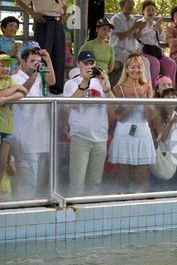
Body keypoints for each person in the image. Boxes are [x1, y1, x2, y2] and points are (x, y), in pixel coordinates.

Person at [62, 50, 115, 196]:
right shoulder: (71, 84)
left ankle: (91, 216)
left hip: (100, 138)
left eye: (92, 63)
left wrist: (106, 87)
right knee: (77, 183)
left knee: (94, 183)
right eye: (86, 63)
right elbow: (71, 105)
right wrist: (84, 82)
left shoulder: (100, 83)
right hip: (80, 137)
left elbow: (115, 106)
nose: (89, 66)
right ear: (78, 64)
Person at [11, 47, 55, 199]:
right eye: (32, 62)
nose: (36, 65)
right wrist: (35, 75)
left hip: (40, 138)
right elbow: (20, 93)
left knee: (37, 184)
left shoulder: (38, 79)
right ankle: (21, 216)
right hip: (25, 140)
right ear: (23, 62)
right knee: (26, 186)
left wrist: (47, 61)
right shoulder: (15, 78)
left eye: (38, 62)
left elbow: (53, 81)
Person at [109, 54, 155, 193]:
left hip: (142, 135)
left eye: (139, 67)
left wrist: (143, 99)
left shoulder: (147, 88)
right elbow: (117, 117)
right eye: (133, 67)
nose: (136, 70)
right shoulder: (118, 89)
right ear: (127, 69)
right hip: (123, 136)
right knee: (123, 180)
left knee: (140, 179)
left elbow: (150, 116)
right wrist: (134, 101)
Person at [16, 0, 67, 95]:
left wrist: (65, 14)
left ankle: (57, 92)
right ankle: (38, 86)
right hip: (43, 20)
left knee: (59, 57)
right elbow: (19, 1)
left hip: (58, 22)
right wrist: (32, 13)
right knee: (40, 56)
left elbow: (64, 5)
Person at [136, 1, 177, 89]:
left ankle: (169, 89)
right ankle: (153, 90)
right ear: (143, 11)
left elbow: (162, 38)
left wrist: (159, 27)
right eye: (148, 10)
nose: (151, 12)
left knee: (172, 63)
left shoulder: (155, 23)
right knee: (155, 63)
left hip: (154, 51)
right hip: (143, 51)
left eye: (152, 10)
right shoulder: (140, 23)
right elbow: (144, 38)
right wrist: (155, 28)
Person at [0, 53, 27, 185]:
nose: (5, 69)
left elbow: (23, 92)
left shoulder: (10, 81)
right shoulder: (11, 83)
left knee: (2, 163)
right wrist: (15, 89)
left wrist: (5, 98)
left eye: (7, 66)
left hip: (8, 128)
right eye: (2, 65)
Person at [153, 87, 177, 184]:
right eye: (168, 96)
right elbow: (163, 138)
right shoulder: (159, 116)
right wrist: (170, 124)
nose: (171, 98)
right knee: (167, 183)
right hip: (166, 154)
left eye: (174, 96)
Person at [109, 0, 151, 80]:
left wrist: (140, 29)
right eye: (129, 4)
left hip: (130, 52)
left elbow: (137, 37)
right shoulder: (116, 19)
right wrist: (134, 27)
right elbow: (121, 36)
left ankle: (147, 89)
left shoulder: (133, 19)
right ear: (122, 6)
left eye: (133, 4)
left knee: (146, 61)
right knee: (136, 63)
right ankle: (138, 88)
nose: (131, 6)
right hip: (118, 52)